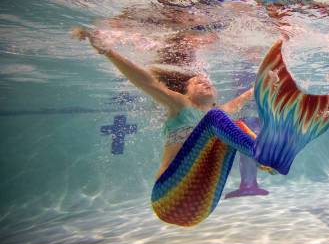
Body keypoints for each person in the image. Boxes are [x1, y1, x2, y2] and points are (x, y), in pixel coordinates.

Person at [71, 27, 254, 179]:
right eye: (197, 82)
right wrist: (107, 50)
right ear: (186, 93)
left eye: (207, 81)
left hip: (200, 184)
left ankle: (260, 157)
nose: (205, 81)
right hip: (171, 182)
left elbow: (248, 95)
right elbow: (147, 82)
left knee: (233, 125)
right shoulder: (182, 104)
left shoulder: (218, 113)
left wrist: (271, 80)